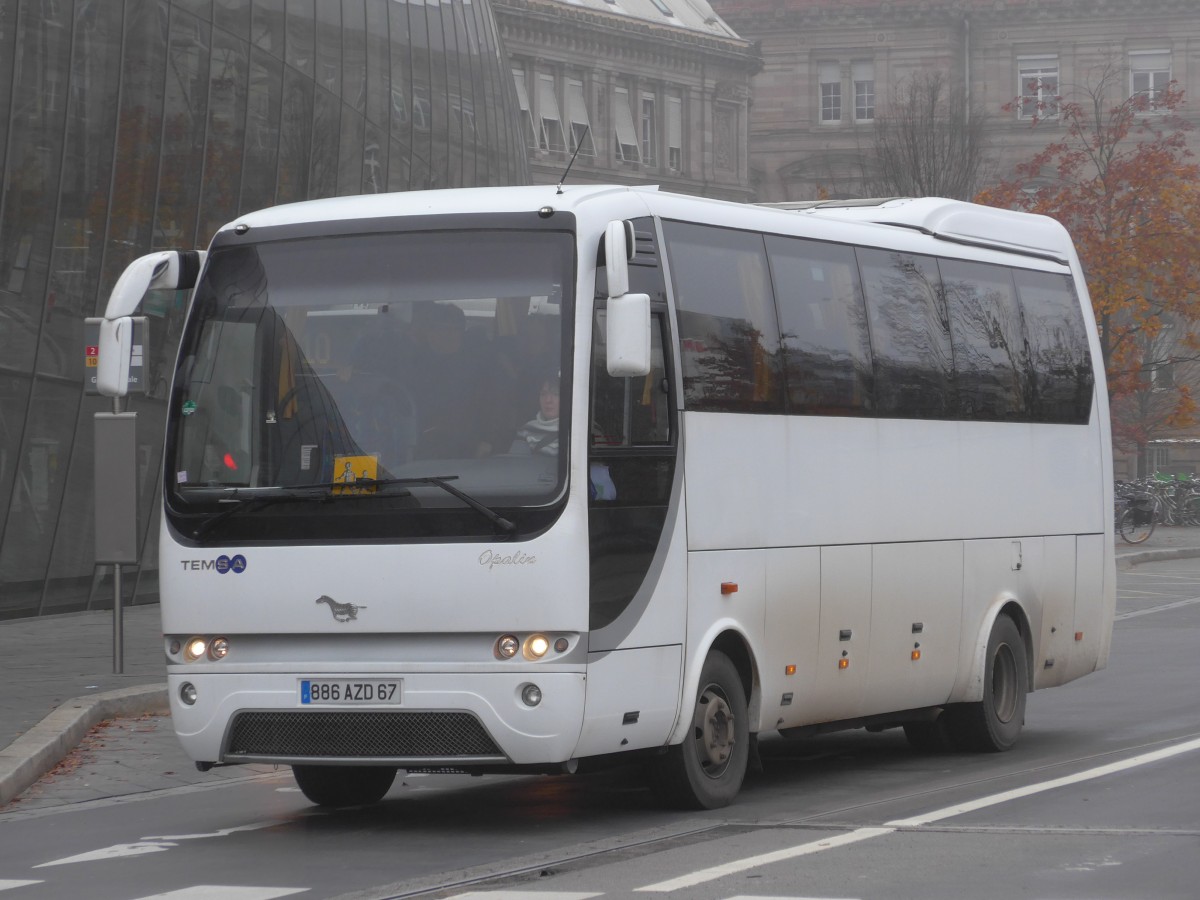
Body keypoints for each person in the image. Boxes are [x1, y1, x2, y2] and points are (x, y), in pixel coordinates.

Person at [512, 374, 560, 456]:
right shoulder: (526, 430)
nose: (548, 400)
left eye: (555, 394)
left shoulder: (576, 432)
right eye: (543, 394)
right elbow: (517, 465)